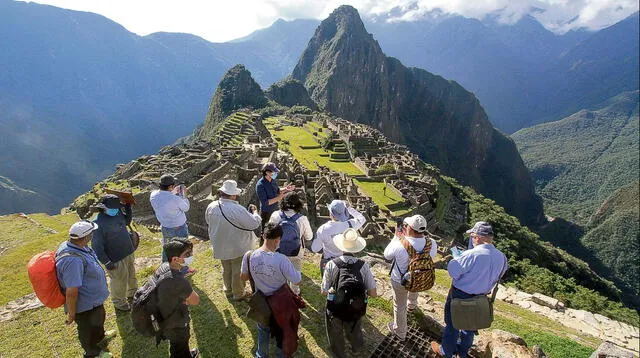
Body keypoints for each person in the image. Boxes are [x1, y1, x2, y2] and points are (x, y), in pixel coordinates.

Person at [431, 221, 508, 358]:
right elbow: (499, 275)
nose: (472, 239)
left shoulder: (472, 254)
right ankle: (462, 352)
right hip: (481, 297)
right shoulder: (502, 258)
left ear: (478, 237)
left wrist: (458, 259)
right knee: (470, 327)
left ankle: (446, 352)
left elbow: (454, 272)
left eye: (472, 236)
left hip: (460, 294)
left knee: (453, 324)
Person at [240, 223, 302, 358]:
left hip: (260, 302)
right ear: (278, 239)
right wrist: (297, 270)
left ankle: (261, 354)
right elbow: (297, 280)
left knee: (263, 329)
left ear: (263, 235)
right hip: (280, 303)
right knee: (281, 331)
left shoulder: (249, 255)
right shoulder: (281, 259)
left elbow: (243, 277)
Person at [56, 220, 115, 358]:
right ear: (86, 236)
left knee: (98, 318)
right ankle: (93, 353)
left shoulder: (78, 246)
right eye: (91, 233)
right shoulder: (72, 261)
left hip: (93, 300)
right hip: (84, 304)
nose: (93, 235)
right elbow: (71, 291)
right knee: (87, 329)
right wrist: (72, 313)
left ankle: (101, 337)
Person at [322, 228, 377, 358]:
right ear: (356, 248)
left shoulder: (331, 264)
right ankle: (356, 348)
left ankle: (338, 352)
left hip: (336, 308)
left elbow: (324, 291)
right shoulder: (363, 266)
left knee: (335, 331)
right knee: (355, 327)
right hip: (355, 308)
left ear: (341, 246)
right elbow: (373, 293)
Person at [383, 215, 437, 340]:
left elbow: (387, 255)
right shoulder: (431, 243)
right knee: (416, 279)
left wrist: (396, 237)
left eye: (406, 226)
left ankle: (400, 331)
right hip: (420, 276)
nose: (405, 227)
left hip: (400, 280)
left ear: (410, 229)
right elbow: (432, 255)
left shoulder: (399, 243)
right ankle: (412, 305)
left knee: (399, 305)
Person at [206, 180, 261, 301]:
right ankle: (238, 293)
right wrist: (255, 213)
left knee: (226, 267)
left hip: (220, 243)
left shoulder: (211, 206)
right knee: (238, 269)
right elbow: (254, 224)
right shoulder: (237, 209)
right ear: (232, 195)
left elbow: (208, 222)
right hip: (237, 245)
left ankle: (228, 289)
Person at [92, 194, 138, 312]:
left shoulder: (117, 213)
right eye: (113, 208)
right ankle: (119, 303)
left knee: (131, 274)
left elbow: (126, 221)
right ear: (104, 207)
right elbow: (97, 246)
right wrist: (106, 261)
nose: (115, 210)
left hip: (128, 251)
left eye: (117, 208)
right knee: (119, 281)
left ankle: (132, 293)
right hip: (115, 258)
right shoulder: (98, 224)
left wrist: (128, 207)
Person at [155, 238, 200, 358]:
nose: (191, 256)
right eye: (187, 254)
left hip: (165, 317)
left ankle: (186, 354)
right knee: (179, 345)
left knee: (178, 345)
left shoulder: (163, 268)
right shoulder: (179, 281)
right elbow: (195, 300)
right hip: (177, 322)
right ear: (175, 259)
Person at [268, 192, 313, 295]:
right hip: (295, 250)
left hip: (278, 249)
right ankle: (294, 292)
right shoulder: (302, 218)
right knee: (295, 270)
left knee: (279, 270)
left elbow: (270, 233)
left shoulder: (275, 215)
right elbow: (309, 236)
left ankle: (280, 291)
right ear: (298, 204)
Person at [311, 200, 366, 275]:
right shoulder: (350, 225)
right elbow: (362, 219)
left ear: (330, 213)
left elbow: (315, 248)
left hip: (328, 262)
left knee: (327, 284)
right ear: (344, 213)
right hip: (345, 262)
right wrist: (349, 209)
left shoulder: (323, 229)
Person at [150, 174, 191, 262]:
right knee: (183, 248)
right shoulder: (175, 199)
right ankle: (183, 268)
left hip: (165, 227)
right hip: (179, 228)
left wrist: (172, 192)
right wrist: (184, 196)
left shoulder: (153, 195)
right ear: (170, 186)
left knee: (167, 248)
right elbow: (186, 208)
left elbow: (164, 198)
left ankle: (165, 266)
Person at [255, 163, 295, 237]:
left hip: (276, 209)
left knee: (276, 231)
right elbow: (266, 203)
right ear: (267, 172)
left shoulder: (272, 180)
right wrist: (280, 197)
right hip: (267, 213)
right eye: (273, 172)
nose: (275, 173)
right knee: (266, 233)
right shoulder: (260, 185)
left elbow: (277, 190)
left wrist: (286, 189)